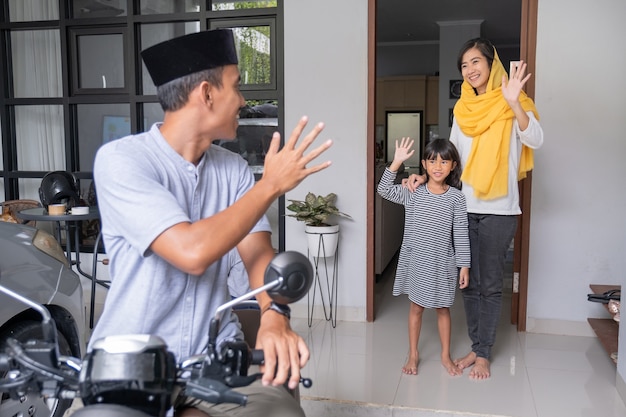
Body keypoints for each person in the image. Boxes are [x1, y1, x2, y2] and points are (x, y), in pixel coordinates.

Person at [90, 29, 333, 417]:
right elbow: (192, 252)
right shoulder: (121, 160)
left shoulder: (233, 170)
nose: (243, 100)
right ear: (206, 93)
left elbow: (258, 258)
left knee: (281, 411)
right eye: (236, 87)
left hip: (214, 362)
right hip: (130, 364)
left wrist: (273, 314)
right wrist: (270, 184)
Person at [404, 38, 544, 380]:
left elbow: (536, 140)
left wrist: (514, 104)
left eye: (476, 62)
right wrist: (426, 176)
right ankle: (476, 345)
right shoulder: (462, 110)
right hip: (464, 206)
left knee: (490, 284)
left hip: (500, 209)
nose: (470, 70)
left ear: (491, 63)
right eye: (464, 65)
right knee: (467, 282)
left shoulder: (514, 100)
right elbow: (453, 159)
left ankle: (483, 354)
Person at [378, 137, 470, 376]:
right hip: (417, 261)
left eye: (444, 161)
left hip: (443, 263)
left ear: (453, 165)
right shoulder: (413, 191)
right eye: (432, 161)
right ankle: (413, 353)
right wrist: (397, 162)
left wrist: (464, 265)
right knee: (416, 307)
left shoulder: (456, 198)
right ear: (424, 164)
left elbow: (460, 233)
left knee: (443, 308)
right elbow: (383, 190)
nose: (437, 166)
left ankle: (445, 355)